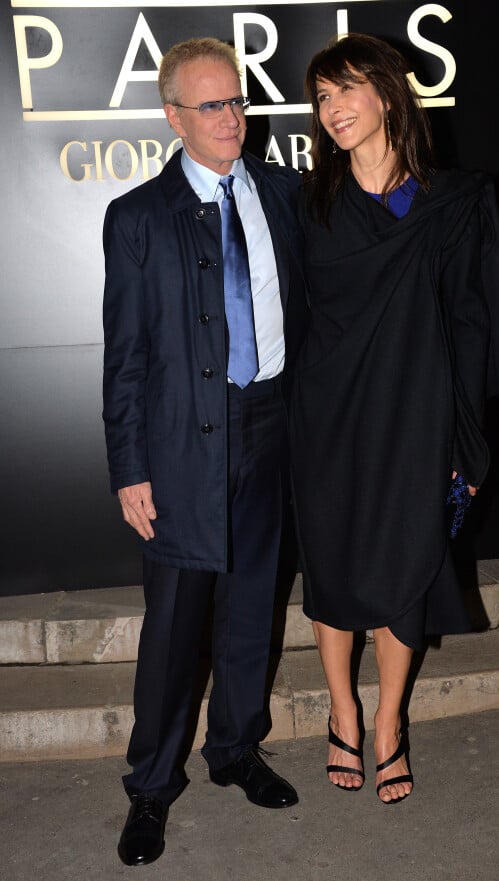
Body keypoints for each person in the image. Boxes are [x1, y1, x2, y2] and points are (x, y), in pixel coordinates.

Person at [289, 34, 499, 805]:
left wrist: (465, 436)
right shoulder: (308, 202)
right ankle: (342, 708)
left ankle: (389, 719)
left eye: (346, 90)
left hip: (415, 418)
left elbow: (472, 325)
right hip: (327, 421)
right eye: (321, 98)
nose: (332, 111)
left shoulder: (454, 203)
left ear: (388, 94)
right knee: (331, 566)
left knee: (404, 568)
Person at [102, 37, 308, 866]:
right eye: (212, 105)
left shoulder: (286, 194)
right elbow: (125, 356)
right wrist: (130, 466)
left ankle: (234, 750)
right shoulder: (138, 217)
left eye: (238, 102)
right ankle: (151, 785)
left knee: (253, 607)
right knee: (174, 627)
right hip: (182, 444)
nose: (232, 119)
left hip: (271, 428)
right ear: (174, 115)